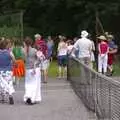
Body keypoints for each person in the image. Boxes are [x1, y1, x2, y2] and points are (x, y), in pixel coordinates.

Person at [23, 37, 41, 105]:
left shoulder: (23, 51)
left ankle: (28, 96)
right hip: (34, 69)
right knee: (34, 84)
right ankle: (32, 98)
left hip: (27, 69)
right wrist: (35, 65)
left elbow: (24, 60)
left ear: (25, 43)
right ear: (31, 43)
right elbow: (39, 59)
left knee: (27, 84)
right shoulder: (34, 50)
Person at [0, 39, 15, 104]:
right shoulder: (9, 52)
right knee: (9, 84)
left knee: (1, 85)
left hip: (1, 71)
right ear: (6, 45)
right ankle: (10, 96)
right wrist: (13, 63)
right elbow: (14, 60)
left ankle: (2, 98)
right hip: (9, 71)